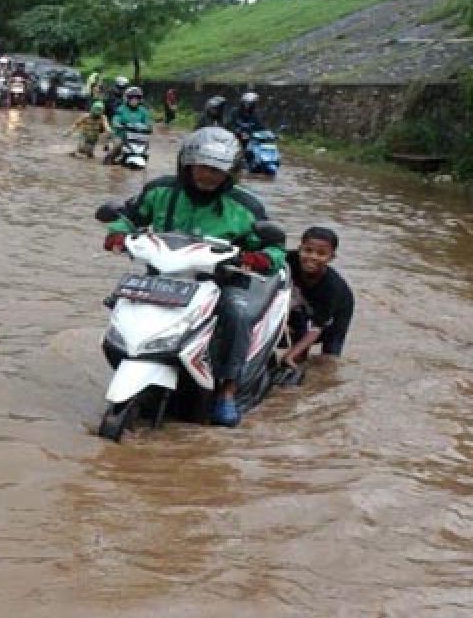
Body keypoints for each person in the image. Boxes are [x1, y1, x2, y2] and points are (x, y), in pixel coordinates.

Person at [103, 127, 284, 427]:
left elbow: (274, 248)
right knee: (118, 301)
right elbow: (129, 217)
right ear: (186, 164)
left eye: (217, 170)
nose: (208, 176)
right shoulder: (159, 190)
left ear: (230, 173)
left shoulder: (245, 207)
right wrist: (117, 235)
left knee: (236, 314)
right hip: (163, 278)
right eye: (202, 167)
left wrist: (257, 257)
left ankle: (226, 390)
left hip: (221, 280)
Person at [282, 226, 354, 369]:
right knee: (298, 335)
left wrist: (290, 355)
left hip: (338, 310)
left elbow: (316, 328)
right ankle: (299, 358)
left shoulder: (333, 288)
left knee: (328, 357)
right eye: (307, 250)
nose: (312, 257)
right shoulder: (288, 259)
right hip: (304, 300)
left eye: (321, 254)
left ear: (331, 257)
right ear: (299, 249)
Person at [105, 86, 153, 165]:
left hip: (138, 137)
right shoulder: (121, 109)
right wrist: (119, 125)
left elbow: (148, 122)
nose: (134, 100)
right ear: (128, 98)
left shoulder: (143, 111)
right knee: (117, 145)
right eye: (132, 98)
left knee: (146, 147)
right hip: (121, 135)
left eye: (136, 98)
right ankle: (108, 159)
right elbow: (115, 120)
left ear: (139, 99)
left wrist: (149, 127)